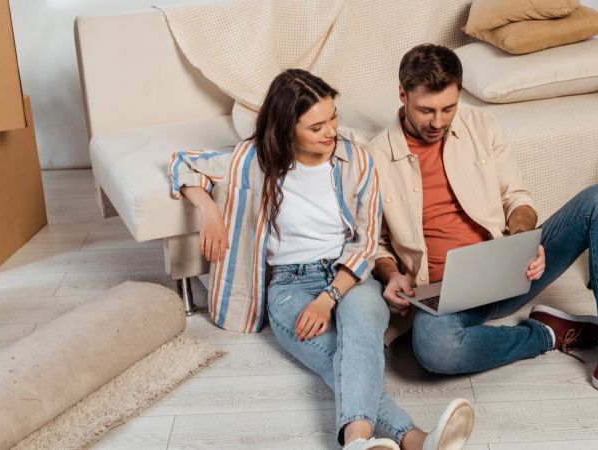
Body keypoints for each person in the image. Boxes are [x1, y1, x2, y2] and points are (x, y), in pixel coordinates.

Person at [369, 45, 598, 422]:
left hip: (508, 268)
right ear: (402, 95)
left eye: (448, 109)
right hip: (442, 294)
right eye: (426, 111)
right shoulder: (372, 159)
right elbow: (374, 242)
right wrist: (391, 274)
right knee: (435, 349)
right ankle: (547, 334)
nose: (438, 122)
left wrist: (522, 241)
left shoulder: (479, 126)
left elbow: (517, 200)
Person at [168, 69, 475, 450]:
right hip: (288, 285)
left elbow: (365, 243)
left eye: (333, 117)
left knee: (359, 338)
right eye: (316, 127)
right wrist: (208, 210)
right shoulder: (252, 160)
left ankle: (358, 443)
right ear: (286, 129)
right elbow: (183, 162)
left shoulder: (356, 160)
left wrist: (328, 297)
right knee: (339, 357)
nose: (331, 131)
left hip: (352, 276)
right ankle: (416, 440)